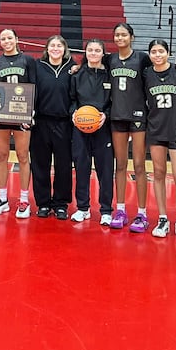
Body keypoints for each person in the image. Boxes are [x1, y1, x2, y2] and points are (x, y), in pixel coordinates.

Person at [143, 39, 176, 241]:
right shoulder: (146, 74)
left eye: (161, 51)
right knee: (159, 173)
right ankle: (162, 218)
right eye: (153, 51)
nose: (157, 55)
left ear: (168, 53)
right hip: (156, 128)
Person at [0, 28, 38, 219]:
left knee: (23, 156)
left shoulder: (28, 61)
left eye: (10, 38)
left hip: (21, 116)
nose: (6, 41)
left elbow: (34, 87)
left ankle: (24, 199)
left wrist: (31, 114)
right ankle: (2, 199)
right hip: (1, 115)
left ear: (17, 39)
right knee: (1, 155)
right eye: (3, 38)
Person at [107, 23, 151, 233]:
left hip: (138, 115)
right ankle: (121, 209)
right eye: (116, 35)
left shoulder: (142, 58)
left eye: (124, 34)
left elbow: (160, 66)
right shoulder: (111, 59)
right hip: (117, 115)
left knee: (140, 165)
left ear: (132, 37)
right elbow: (92, 66)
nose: (119, 38)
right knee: (121, 165)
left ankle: (142, 213)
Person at [69, 39, 113, 225]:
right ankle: (83, 208)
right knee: (81, 168)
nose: (93, 53)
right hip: (80, 128)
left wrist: (107, 115)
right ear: (85, 53)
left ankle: (106, 210)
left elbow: (115, 101)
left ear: (103, 53)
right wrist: (74, 113)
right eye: (90, 50)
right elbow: (71, 99)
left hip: (103, 128)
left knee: (105, 170)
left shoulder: (110, 75)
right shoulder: (76, 75)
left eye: (97, 50)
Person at [31, 35, 75, 220]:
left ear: (65, 49)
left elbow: (75, 95)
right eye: (52, 45)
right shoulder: (37, 67)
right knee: (40, 164)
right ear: (46, 49)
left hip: (64, 123)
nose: (56, 48)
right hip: (40, 121)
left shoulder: (72, 69)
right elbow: (30, 91)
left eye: (59, 46)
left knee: (63, 165)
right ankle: (43, 203)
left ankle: (60, 204)